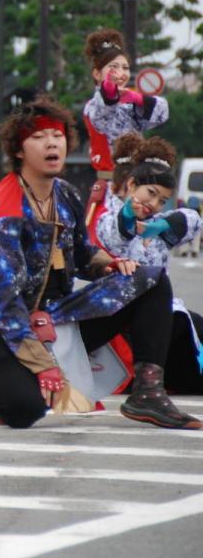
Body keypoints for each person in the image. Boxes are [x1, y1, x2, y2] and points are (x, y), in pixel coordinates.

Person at [0, 97, 197, 430]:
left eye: (57, 135)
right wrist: (44, 366)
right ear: (18, 150)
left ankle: (147, 392)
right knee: (22, 412)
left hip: (60, 314)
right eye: (39, 137)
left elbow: (82, 253)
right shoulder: (4, 215)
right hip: (10, 328)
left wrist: (110, 264)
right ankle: (3, 392)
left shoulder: (66, 194)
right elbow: (7, 306)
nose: (52, 143)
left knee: (150, 278)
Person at [95, 134, 203, 394]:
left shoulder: (159, 227)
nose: (153, 204)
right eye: (151, 193)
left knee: (192, 323)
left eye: (161, 200)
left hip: (157, 318)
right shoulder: (109, 218)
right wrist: (128, 218)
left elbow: (193, 219)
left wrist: (163, 224)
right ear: (131, 184)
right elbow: (111, 234)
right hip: (120, 322)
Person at [82, 28, 169, 240]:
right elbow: (105, 105)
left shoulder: (131, 105)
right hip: (113, 187)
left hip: (140, 185)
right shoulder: (93, 106)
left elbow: (161, 113)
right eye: (113, 67)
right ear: (96, 73)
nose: (121, 73)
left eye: (125, 68)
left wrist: (137, 98)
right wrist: (111, 91)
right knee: (110, 243)